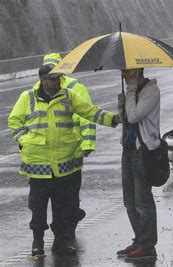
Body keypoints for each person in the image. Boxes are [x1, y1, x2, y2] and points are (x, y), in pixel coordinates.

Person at [8, 69, 121, 257]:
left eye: (59, 78)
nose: (58, 82)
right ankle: (38, 242)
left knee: (62, 207)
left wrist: (113, 118)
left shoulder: (68, 96)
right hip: (38, 165)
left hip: (65, 163)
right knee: (38, 207)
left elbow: (90, 112)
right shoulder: (27, 98)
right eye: (53, 80)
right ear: (43, 80)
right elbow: (14, 121)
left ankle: (61, 241)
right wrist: (24, 140)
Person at [38, 53, 96, 240]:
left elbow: (86, 116)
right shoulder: (38, 89)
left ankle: (67, 227)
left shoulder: (74, 88)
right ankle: (64, 229)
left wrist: (87, 143)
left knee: (68, 194)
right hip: (52, 155)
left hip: (72, 150)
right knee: (63, 195)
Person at [116, 68, 160, 261]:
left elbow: (135, 116)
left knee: (143, 202)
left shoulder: (151, 90)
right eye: (124, 72)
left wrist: (131, 91)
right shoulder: (133, 91)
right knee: (130, 201)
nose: (125, 76)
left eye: (128, 72)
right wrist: (121, 106)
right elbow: (126, 119)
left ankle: (147, 246)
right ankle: (139, 240)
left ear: (138, 71)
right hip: (128, 149)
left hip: (143, 150)